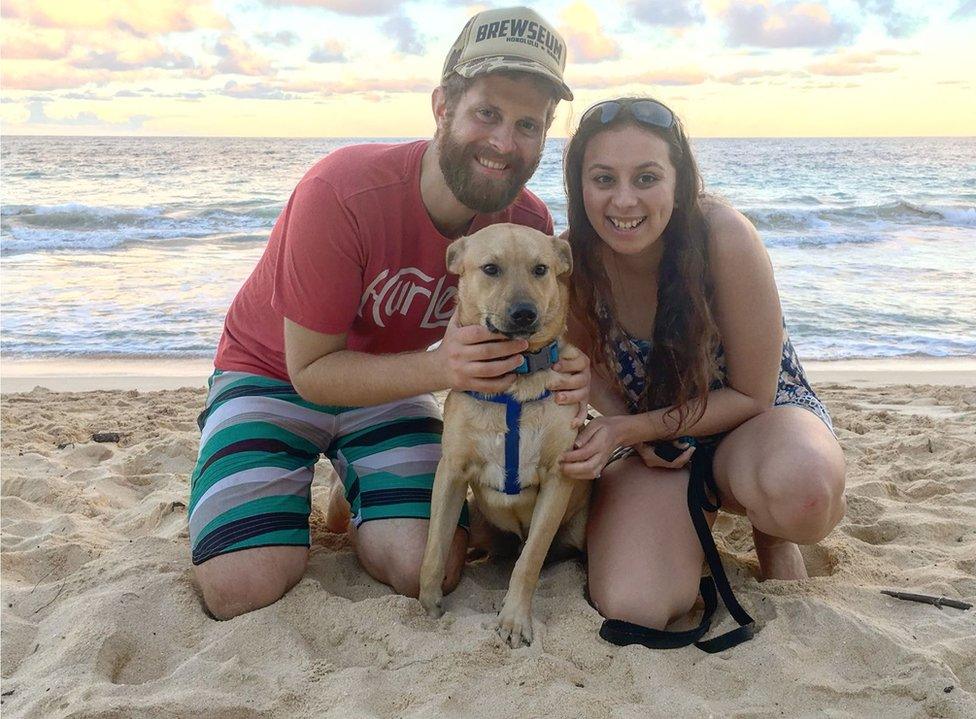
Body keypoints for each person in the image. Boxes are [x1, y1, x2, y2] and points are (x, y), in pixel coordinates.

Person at [188, 7, 590, 620]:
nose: (505, 142)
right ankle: (275, 461)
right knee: (240, 586)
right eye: (487, 112)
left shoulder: (523, 228)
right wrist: (444, 369)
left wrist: (569, 370)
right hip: (274, 375)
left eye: (528, 124)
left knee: (423, 567)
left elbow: (532, 343)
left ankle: (354, 484)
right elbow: (313, 373)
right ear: (442, 107)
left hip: (393, 386)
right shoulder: (342, 193)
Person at [559, 98, 846, 633]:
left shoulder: (723, 236)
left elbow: (754, 394)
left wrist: (634, 427)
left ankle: (769, 530)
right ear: (580, 186)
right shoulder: (573, 258)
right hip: (655, 446)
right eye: (603, 179)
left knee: (804, 493)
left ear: (678, 180)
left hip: (753, 422)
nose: (624, 200)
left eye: (646, 177)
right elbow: (585, 364)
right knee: (634, 606)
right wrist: (634, 431)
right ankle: (686, 518)